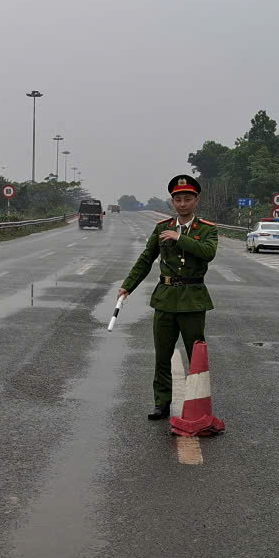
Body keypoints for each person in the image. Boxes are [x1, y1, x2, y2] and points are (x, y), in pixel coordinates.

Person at [117, 174, 218, 420]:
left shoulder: (207, 229)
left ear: (196, 200)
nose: (182, 204)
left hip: (193, 300)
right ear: (172, 202)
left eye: (187, 199)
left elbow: (208, 252)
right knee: (162, 355)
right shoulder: (162, 228)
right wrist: (127, 286)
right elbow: (146, 258)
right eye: (178, 200)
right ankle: (161, 402)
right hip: (165, 299)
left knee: (196, 356)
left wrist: (179, 238)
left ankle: (198, 404)